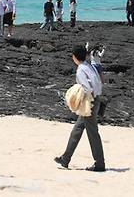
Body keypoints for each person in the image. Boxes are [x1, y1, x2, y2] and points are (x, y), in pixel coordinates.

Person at [54, 44, 105, 172]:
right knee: (77, 130)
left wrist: (78, 97)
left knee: (93, 134)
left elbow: (87, 88)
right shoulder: (89, 66)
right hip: (95, 100)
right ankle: (65, 158)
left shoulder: (81, 70)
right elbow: (99, 82)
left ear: (74, 57)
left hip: (90, 103)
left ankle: (100, 163)